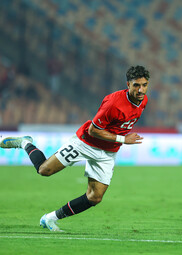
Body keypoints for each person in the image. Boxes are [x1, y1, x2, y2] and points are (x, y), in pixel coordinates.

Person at [0, 65, 150, 232]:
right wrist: (123, 139)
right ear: (128, 84)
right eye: (136, 85)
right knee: (44, 170)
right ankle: (24, 143)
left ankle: (49, 218)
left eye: (144, 85)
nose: (140, 89)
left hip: (108, 152)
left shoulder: (143, 100)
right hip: (86, 143)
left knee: (95, 197)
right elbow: (94, 130)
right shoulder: (113, 103)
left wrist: (119, 140)